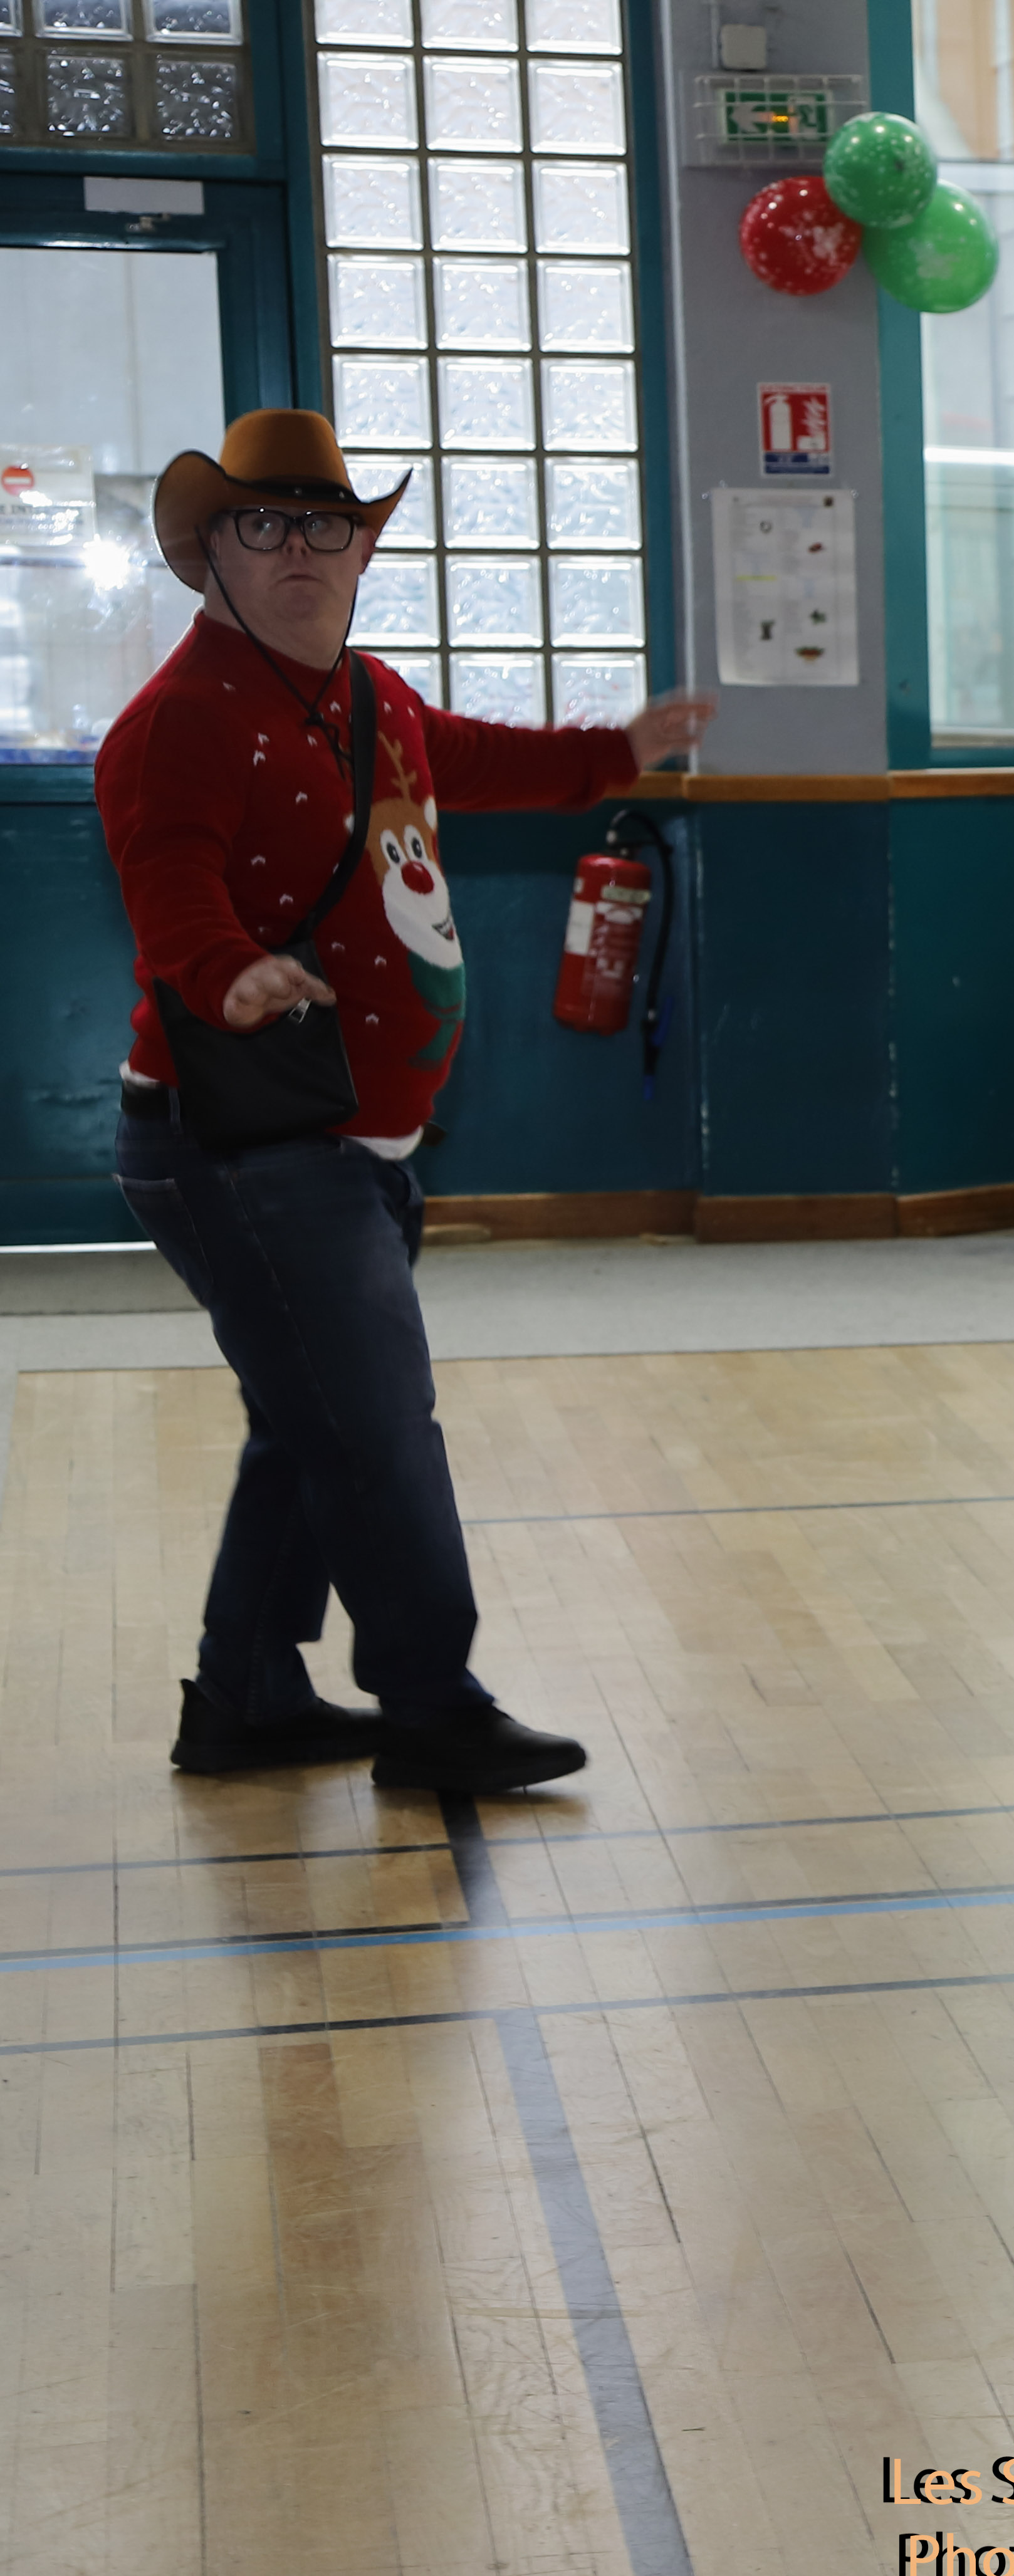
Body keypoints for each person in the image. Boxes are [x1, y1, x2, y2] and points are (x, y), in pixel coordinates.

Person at [104, 409, 711, 1794]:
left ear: (364, 548)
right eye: (264, 523)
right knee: (375, 1423)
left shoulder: (370, 699)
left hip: (353, 1139)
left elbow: (487, 762)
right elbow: (170, 882)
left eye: (326, 522)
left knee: (313, 1416)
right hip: (246, 1143)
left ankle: (248, 1696)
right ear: (212, 553)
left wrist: (618, 749)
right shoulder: (178, 722)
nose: (299, 547)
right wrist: (231, 973)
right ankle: (431, 1704)